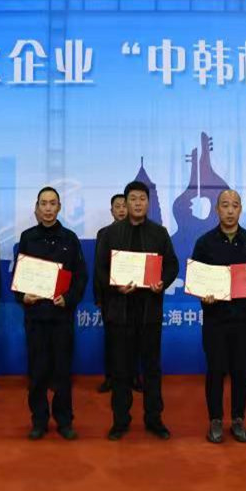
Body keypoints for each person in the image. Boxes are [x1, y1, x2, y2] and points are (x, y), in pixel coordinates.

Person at [95, 180, 179, 441]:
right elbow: (100, 270)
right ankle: (120, 421)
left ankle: (154, 419)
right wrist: (115, 286)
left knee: (152, 370)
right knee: (120, 370)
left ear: (148, 203)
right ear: (125, 202)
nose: (138, 203)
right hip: (120, 313)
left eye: (142, 199)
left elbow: (172, 265)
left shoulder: (159, 233)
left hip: (149, 312)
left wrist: (162, 281)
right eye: (133, 199)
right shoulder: (110, 234)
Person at [191, 190, 246, 443]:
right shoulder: (205, 242)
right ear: (217, 210)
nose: (230, 210)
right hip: (215, 318)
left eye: (235, 205)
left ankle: (238, 419)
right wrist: (204, 295)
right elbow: (197, 278)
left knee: (241, 370)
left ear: (240, 209)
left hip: (245, 318)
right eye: (225, 205)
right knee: (215, 370)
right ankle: (215, 419)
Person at [16, 187, 88, 440]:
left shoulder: (70, 238)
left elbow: (80, 277)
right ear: (37, 207)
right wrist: (22, 296)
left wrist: (68, 298)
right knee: (37, 373)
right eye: (43, 203)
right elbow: (19, 276)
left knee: (62, 372)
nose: (48, 208)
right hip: (35, 316)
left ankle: (64, 420)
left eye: (52, 203)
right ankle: (39, 420)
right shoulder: (27, 238)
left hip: (61, 316)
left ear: (59, 207)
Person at [94, 193, 130, 394]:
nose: (122, 210)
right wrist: (99, 296)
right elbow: (99, 267)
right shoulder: (104, 233)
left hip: (134, 295)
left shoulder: (138, 232)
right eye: (118, 206)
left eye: (124, 206)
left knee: (133, 339)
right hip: (111, 296)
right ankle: (110, 378)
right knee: (111, 339)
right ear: (112, 211)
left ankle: (133, 377)